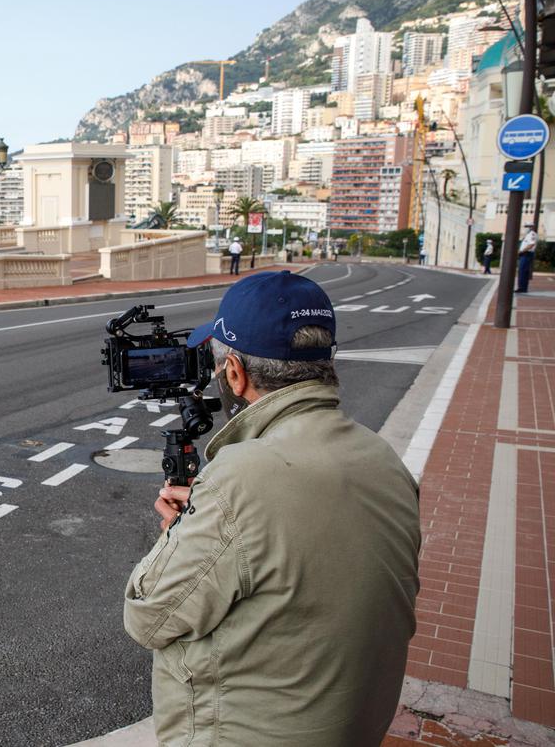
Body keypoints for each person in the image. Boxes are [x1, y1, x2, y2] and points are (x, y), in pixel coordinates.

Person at [123, 271, 421, 746]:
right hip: (355, 724)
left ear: (235, 373)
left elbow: (148, 617)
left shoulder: (241, 478)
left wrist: (179, 531)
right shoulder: (381, 456)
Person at [517, 225, 538, 293]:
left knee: (523, 271)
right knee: (522, 271)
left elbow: (531, 244)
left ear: (530, 227)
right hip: (525, 254)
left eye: (526, 227)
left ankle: (522, 288)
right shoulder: (528, 234)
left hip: (527, 254)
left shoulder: (532, 234)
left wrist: (521, 251)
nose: (525, 228)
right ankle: (522, 287)